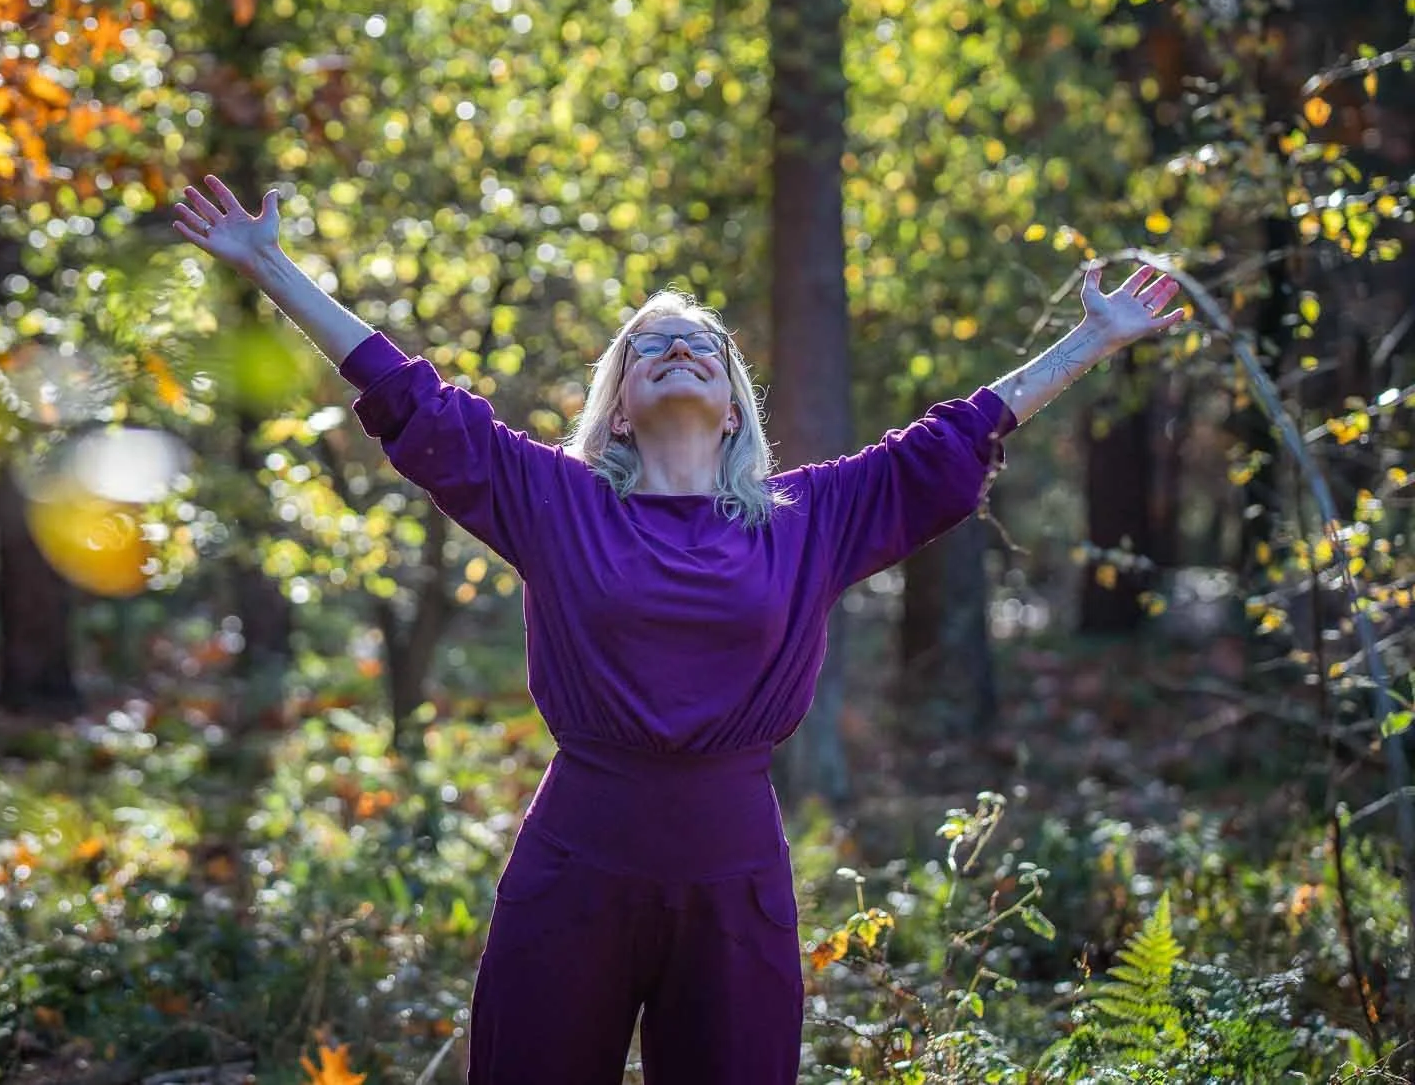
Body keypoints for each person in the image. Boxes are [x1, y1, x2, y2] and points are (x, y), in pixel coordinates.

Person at [171, 174, 1185, 1084]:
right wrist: (269, 266)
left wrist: (1091, 339)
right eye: (645, 347)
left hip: (732, 873)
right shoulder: (553, 500)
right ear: (617, 411)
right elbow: (410, 399)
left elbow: (954, 439)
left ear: (734, 408)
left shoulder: (806, 518)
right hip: (574, 863)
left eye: (701, 344)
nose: (676, 350)